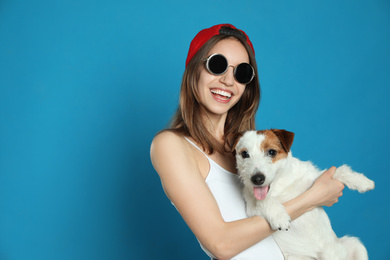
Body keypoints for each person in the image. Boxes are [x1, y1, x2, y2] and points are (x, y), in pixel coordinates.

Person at [150, 24, 344, 260]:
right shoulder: (171, 145)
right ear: (194, 70)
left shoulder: (247, 151)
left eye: (242, 73)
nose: (228, 81)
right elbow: (220, 244)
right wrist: (312, 198)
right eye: (217, 65)